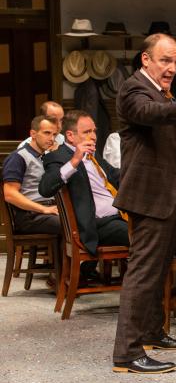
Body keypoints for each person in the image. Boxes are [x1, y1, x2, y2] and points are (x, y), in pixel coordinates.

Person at [111, 33, 176, 374]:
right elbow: (153, 115)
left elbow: (166, 136)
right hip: (150, 197)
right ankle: (127, 354)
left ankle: (151, 333)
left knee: (156, 272)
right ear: (146, 59)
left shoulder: (157, 89)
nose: (172, 67)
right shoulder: (133, 88)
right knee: (142, 274)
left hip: (167, 193)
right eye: (165, 60)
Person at [38, 110, 129, 279]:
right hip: (96, 226)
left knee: (159, 228)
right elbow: (45, 188)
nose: (93, 136)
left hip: (120, 216)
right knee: (147, 237)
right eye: (87, 132)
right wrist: (75, 160)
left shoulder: (93, 156)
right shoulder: (59, 157)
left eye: (94, 131)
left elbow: (116, 176)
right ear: (70, 136)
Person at [3, 116, 62, 272]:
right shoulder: (18, 157)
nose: (52, 138)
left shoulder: (46, 157)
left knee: (87, 220)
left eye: (54, 134)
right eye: (47, 133)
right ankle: (63, 276)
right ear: (33, 134)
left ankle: (76, 272)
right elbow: (9, 194)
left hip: (48, 211)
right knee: (71, 226)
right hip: (29, 216)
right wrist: (43, 209)